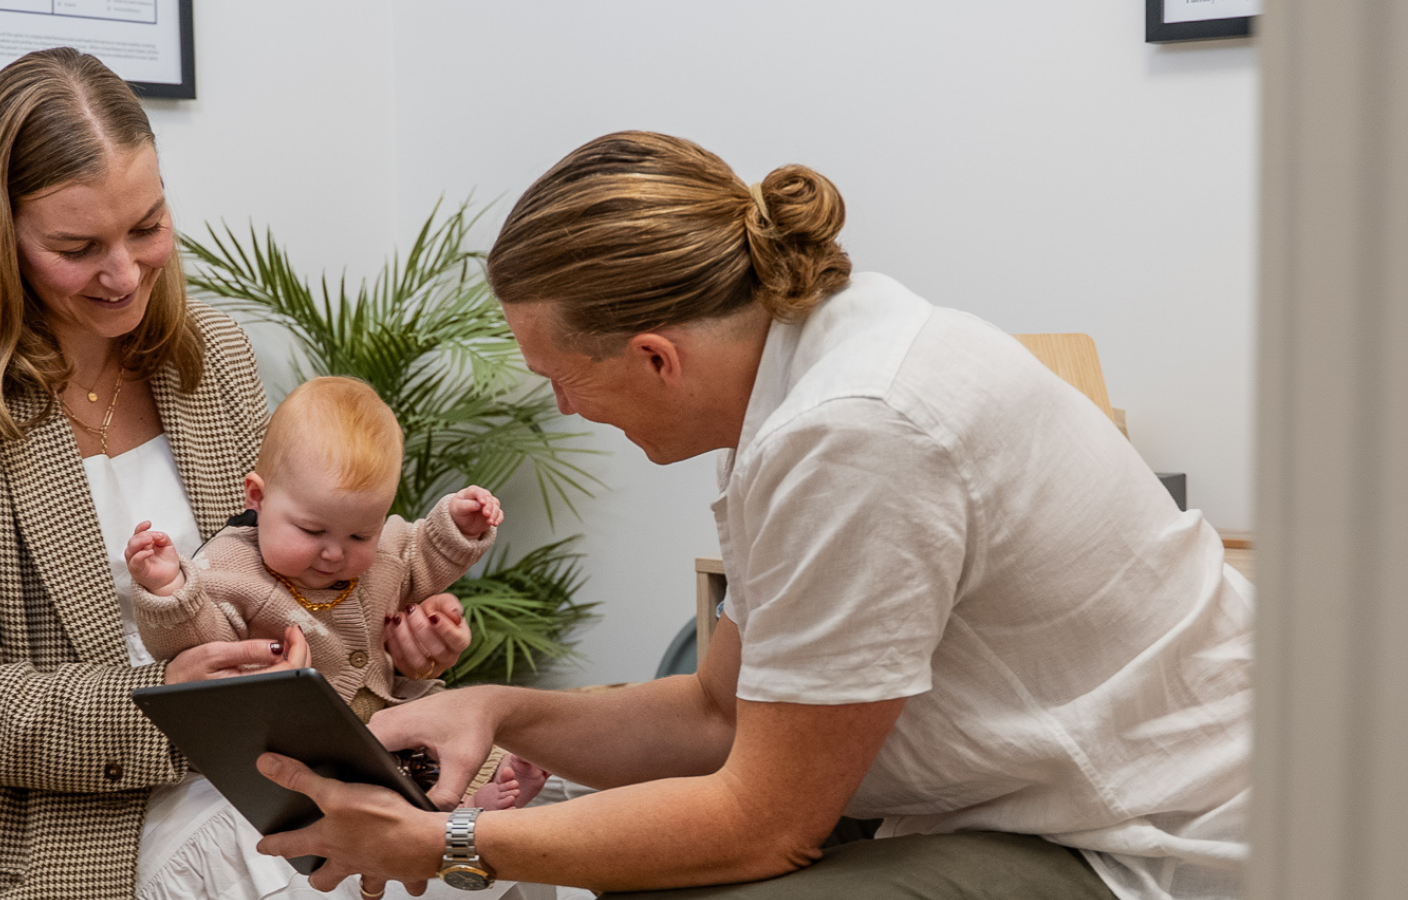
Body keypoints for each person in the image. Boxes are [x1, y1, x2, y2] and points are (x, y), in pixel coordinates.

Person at [247, 131, 1252, 900]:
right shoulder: (804, 374)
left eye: (561, 378)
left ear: (655, 356)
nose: (564, 407)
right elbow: (715, 714)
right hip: (1042, 799)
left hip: (1151, 838)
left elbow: (766, 825)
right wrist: (495, 709)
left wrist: (446, 843)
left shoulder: (855, 433)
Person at [0, 47, 319, 900]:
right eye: (77, 246)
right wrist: (168, 702)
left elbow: (284, 566)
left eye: (147, 227)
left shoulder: (211, 361)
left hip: (250, 771)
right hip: (57, 833)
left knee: (467, 840)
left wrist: (380, 620)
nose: (125, 274)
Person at [126, 376, 545, 811]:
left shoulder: (383, 556)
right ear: (257, 498)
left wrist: (459, 526)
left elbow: (420, 552)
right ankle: (450, 810)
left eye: (360, 535)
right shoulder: (230, 567)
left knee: (447, 716)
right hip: (310, 738)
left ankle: (486, 787)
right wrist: (170, 588)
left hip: (394, 707)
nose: (333, 553)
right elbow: (199, 644)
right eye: (312, 530)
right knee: (343, 787)